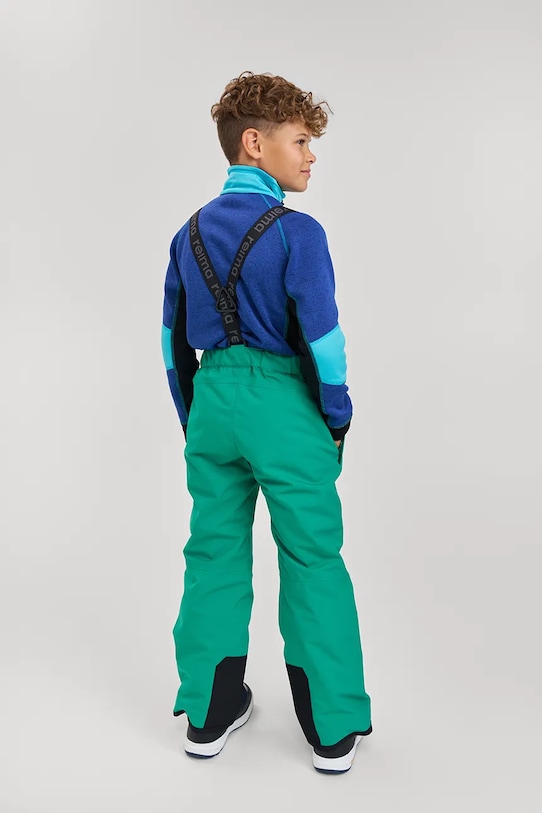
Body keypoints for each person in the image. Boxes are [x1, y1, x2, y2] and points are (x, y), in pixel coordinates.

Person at [161, 70, 372, 774]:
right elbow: (324, 342)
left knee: (212, 554)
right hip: (282, 405)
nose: (311, 156)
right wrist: (335, 419)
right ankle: (332, 728)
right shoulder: (297, 233)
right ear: (255, 143)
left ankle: (207, 712)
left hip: (212, 404)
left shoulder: (187, 234)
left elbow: (170, 340)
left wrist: (195, 419)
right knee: (312, 557)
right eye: (301, 141)